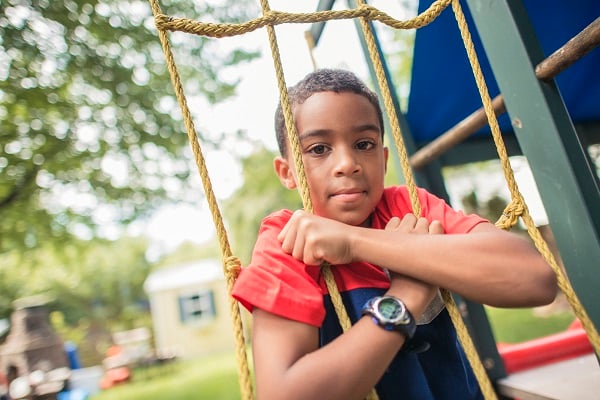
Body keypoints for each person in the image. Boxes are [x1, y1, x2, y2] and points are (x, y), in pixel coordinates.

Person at [232, 68, 557, 400]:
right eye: (318, 149)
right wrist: (406, 295)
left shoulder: (409, 207)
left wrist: (354, 242)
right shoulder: (286, 243)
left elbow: (536, 280)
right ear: (287, 173)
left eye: (364, 144)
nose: (347, 163)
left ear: (383, 159)